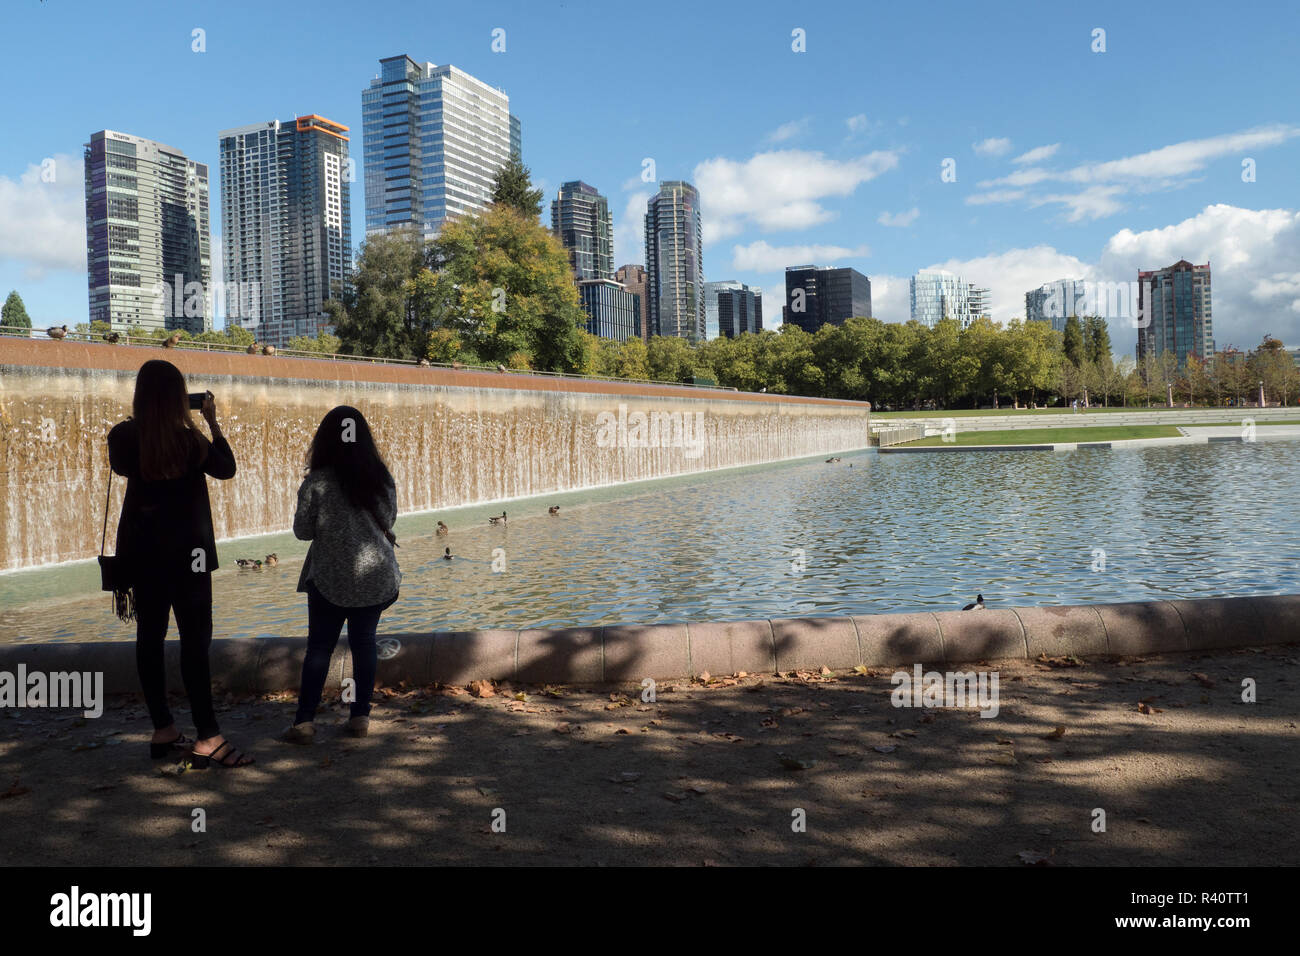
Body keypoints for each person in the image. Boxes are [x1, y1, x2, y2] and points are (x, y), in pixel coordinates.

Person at [107, 359, 253, 768]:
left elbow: (122, 464)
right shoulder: (191, 441)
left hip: (143, 557)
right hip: (190, 556)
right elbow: (227, 469)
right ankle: (209, 737)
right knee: (194, 644)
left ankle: (163, 729)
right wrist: (211, 421)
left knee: (149, 639)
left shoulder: (122, 437)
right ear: (177, 398)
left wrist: (145, 420)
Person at [286, 406, 400, 743]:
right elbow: (389, 521)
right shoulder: (380, 477)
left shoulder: (317, 482)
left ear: (324, 441)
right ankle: (359, 718)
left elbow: (302, 531)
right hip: (374, 575)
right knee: (364, 643)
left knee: (319, 648)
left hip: (328, 578)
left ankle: (304, 722)